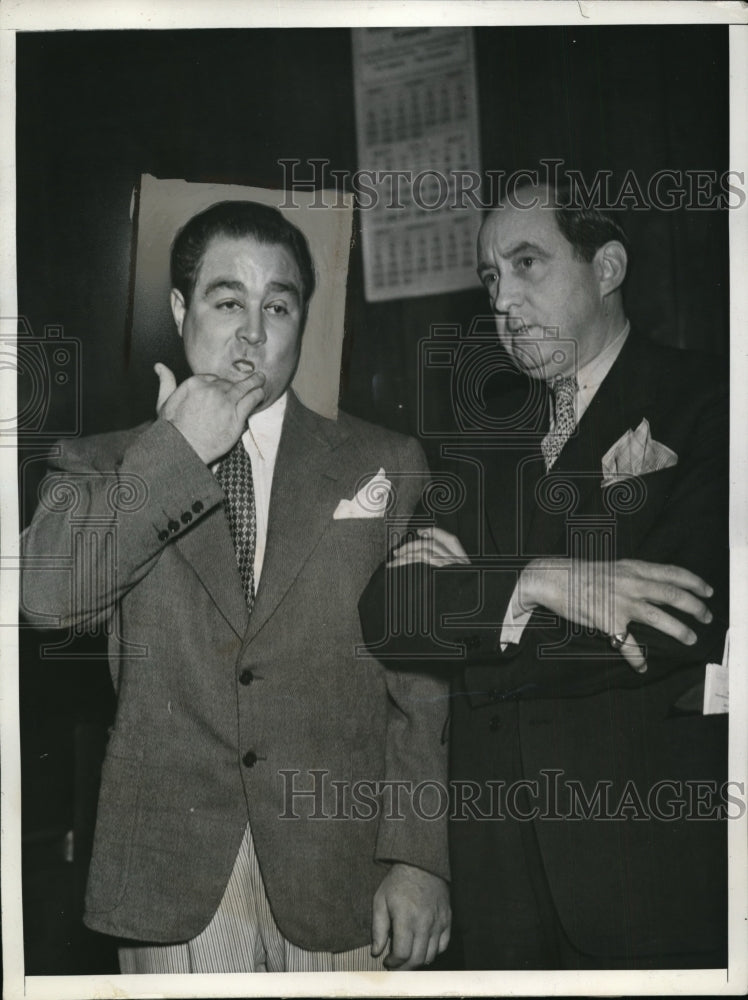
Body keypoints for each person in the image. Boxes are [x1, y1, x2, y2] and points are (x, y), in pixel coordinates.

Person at [20, 200, 450, 973]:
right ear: (181, 310)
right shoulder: (101, 462)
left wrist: (418, 858)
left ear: (301, 321)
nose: (253, 332)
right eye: (228, 302)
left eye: (277, 306)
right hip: (170, 874)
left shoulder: (385, 460)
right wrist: (176, 451)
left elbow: (419, 686)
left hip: (343, 874)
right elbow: (47, 597)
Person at [359, 182, 728, 969]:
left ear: (609, 267)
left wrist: (480, 616)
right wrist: (537, 579)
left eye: (527, 263)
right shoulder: (482, 434)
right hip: (495, 878)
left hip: (642, 860)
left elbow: (674, 619)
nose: (505, 299)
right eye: (491, 278)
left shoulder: (710, 400)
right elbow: (390, 610)